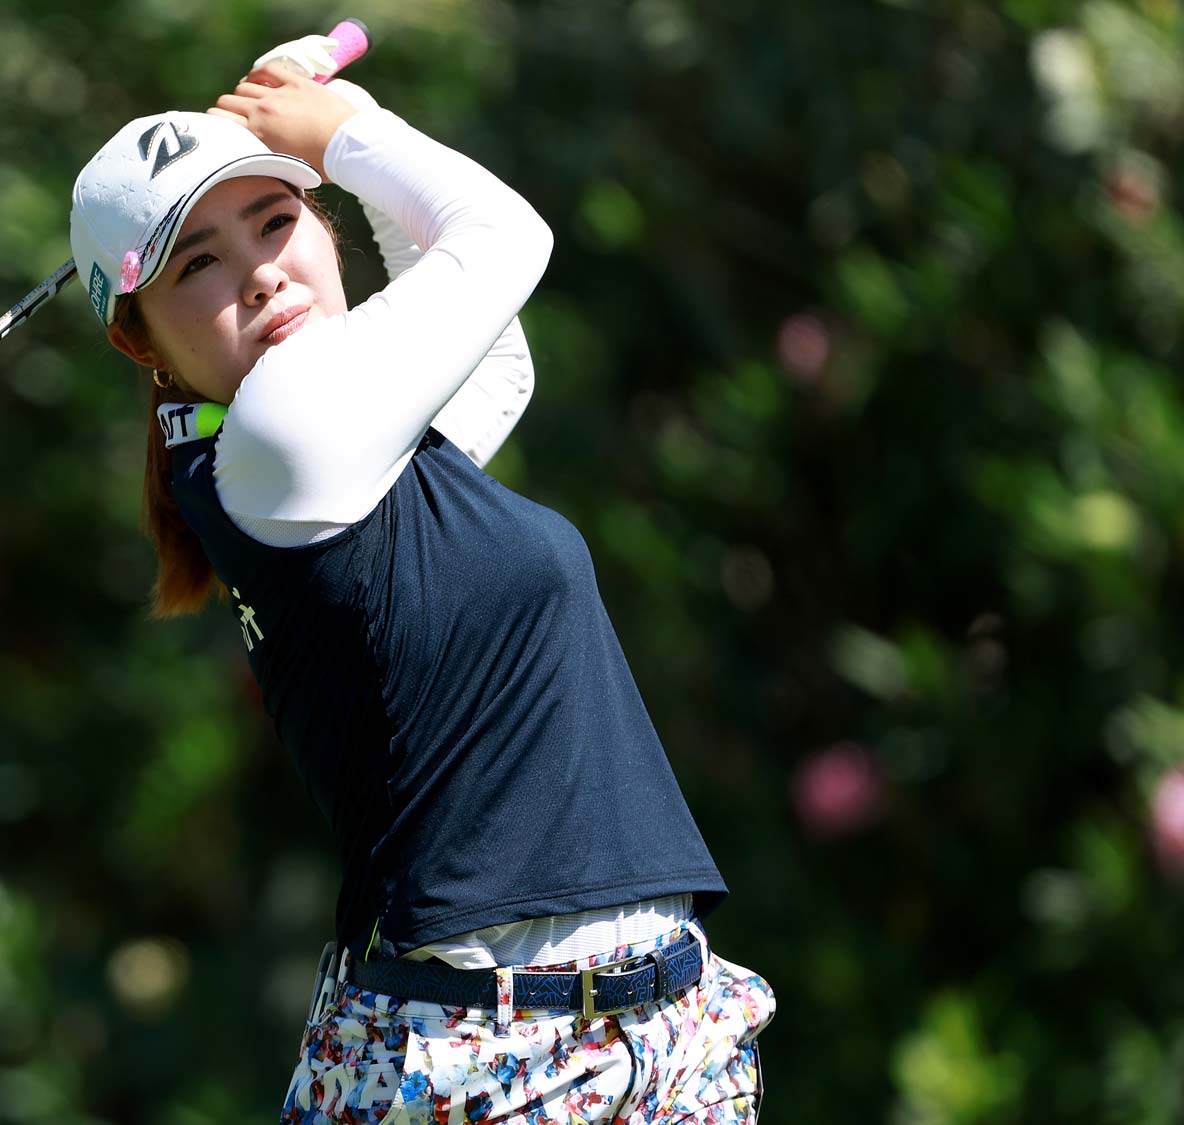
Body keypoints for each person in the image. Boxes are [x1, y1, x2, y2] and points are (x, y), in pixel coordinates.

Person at [68, 37, 775, 1124]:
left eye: (274, 220)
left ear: (323, 227)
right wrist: (343, 130)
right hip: (480, 1057)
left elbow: (495, 356)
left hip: (659, 1029)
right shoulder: (283, 433)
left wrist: (345, 128)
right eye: (193, 263)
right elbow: (503, 236)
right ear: (143, 344)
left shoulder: (341, 447)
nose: (257, 268)